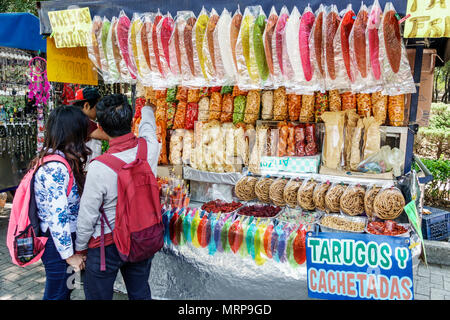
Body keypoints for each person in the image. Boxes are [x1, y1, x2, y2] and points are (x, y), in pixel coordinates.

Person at [75, 94, 161, 300]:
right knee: (140, 292)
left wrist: (80, 248)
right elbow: (149, 127)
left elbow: (88, 213)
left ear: (101, 128)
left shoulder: (99, 167)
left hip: (107, 245)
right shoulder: (149, 147)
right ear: (132, 122)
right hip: (141, 236)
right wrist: (148, 109)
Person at [32, 105, 91, 300]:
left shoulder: (60, 160)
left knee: (65, 291)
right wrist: (69, 256)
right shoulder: (55, 168)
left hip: (64, 243)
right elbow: (58, 217)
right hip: (58, 247)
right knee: (57, 295)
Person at [70, 87, 109, 168]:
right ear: (87, 105)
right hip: (87, 168)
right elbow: (109, 135)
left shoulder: (74, 120)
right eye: (97, 107)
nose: (98, 111)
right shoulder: (86, 123)